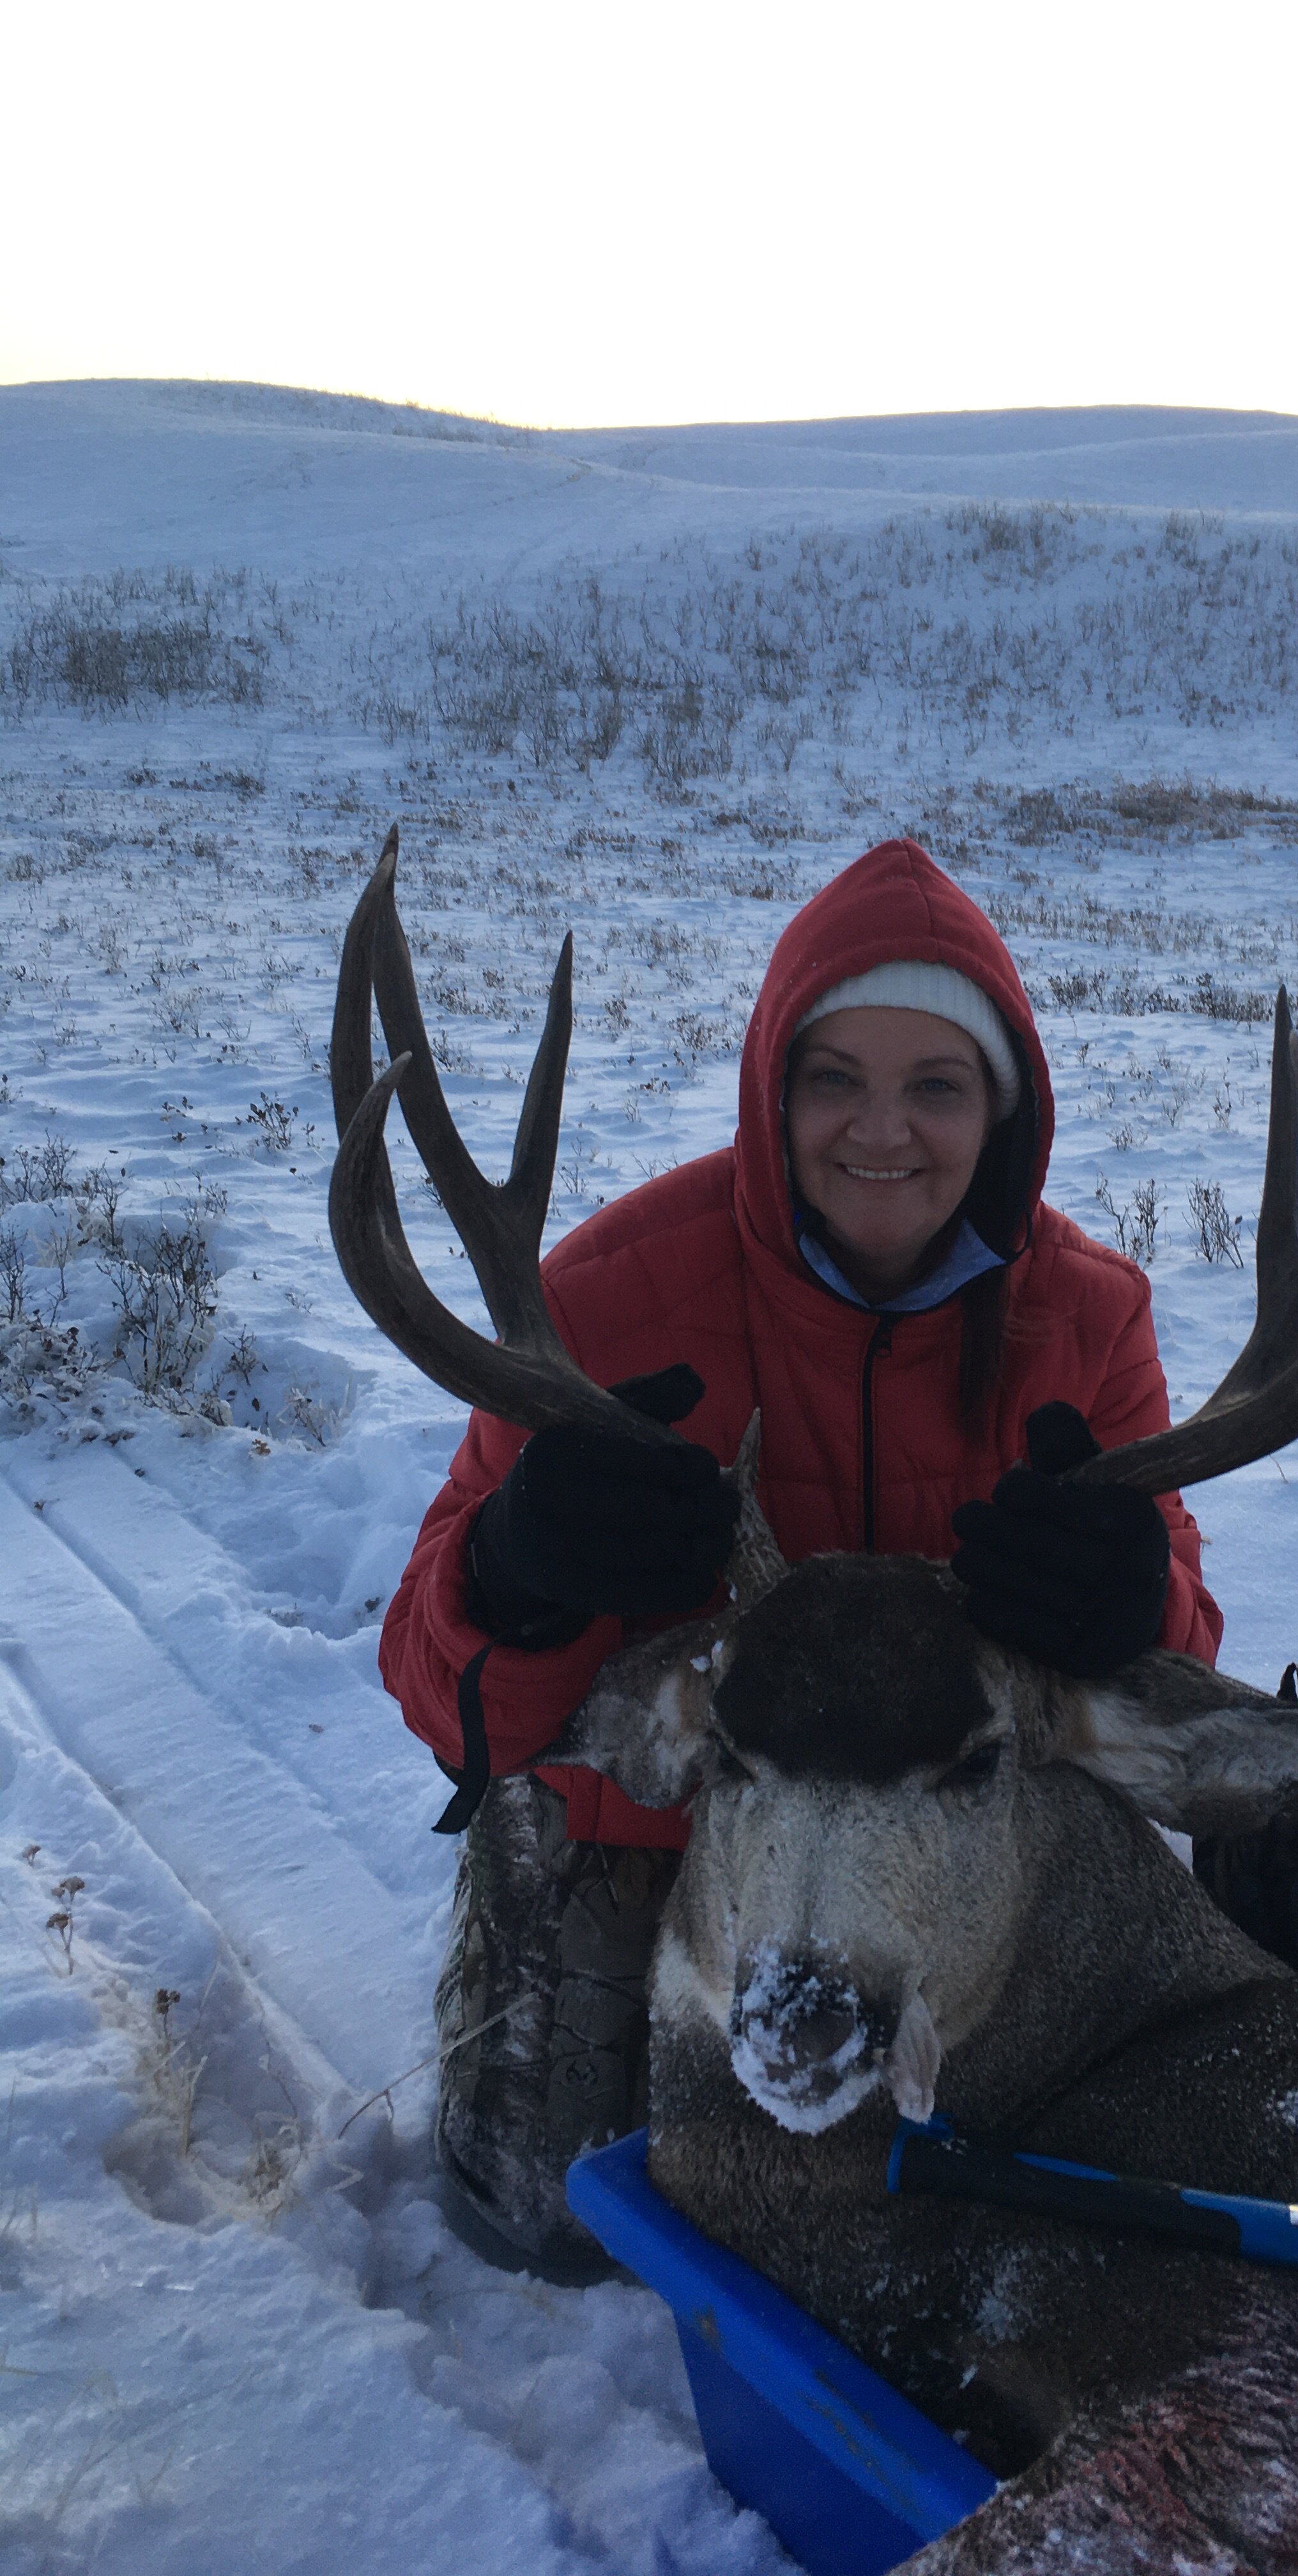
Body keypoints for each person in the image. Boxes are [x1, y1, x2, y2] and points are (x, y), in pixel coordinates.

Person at [381, 838, 1221, 2272]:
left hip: (957, 1846)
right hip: (679, 1830)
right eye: (835, 1078)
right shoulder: (606, 1294)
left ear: (1001, 1112)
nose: (882, 1133)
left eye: (937, 1086)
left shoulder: (1086, 1314)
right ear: (774, 1093)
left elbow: (1175, 1664)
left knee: (1053, 2219)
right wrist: (523, 1568)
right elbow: (442, 1694)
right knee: (562, 2231)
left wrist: (1130, 1598)